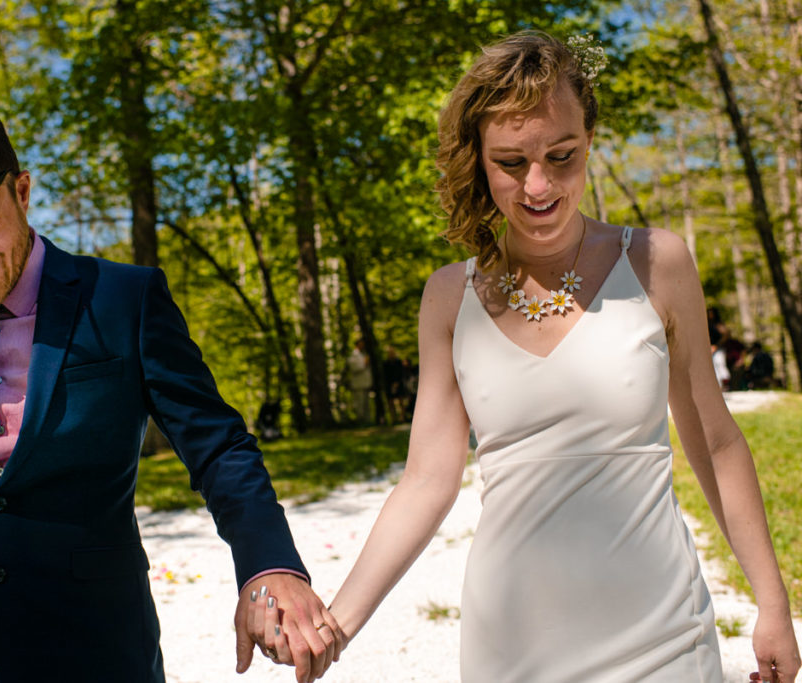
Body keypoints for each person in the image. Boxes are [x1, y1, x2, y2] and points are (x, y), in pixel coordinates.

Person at [261, 32, 800, 681]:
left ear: (590, 138)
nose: (538, 184)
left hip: (663, 635)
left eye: (561, 155)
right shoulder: (448, 297)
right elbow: (427, 482)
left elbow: (715, 444)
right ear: (480, 160)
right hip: (513, 647)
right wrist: (335, 624)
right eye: (511, 162)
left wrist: (772, 603)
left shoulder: (658, 263)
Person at [0, 97, 344, 683]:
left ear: (21, 193)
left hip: (97, 651)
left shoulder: (124, 299)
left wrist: (269, 567)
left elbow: (218, 446)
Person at [346, 339, 373, 424]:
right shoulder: (353, 356)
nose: (363, 346)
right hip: (358, 384)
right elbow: (354, 369)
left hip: (365, 383)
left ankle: (368, 421)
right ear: (357, 345)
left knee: (366, 404)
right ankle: (360, 421)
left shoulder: (364, 354)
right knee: (359, 404)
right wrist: (364, 364)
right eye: (361, 344)